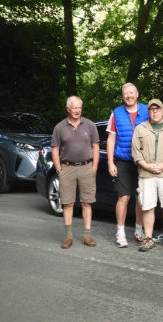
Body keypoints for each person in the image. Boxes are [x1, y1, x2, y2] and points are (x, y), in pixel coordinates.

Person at [131, 99, 163, 252]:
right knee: (147, 206)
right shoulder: (140, 128)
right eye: (152, 109)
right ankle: (147, 238)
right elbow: (136, 151)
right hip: (146, 174)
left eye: (157, 109)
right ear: (148, 112)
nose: (155, 112)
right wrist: (146, 166)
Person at [51, 96, 100, 248]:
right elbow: (55, 149)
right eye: (74, 108)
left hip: (87, 167)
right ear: (68, 109)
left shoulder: (90, 125)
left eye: (79, 107)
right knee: (68, 203)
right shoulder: (59, 127)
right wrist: (59, 169)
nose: (77, 110)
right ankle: (68, 237)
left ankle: (87, 236)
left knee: (86, 203)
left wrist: (94, 167)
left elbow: (96, 146)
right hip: (67, 168)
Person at [107, 82, 148, 248]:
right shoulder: (116, 113)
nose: (129, 95)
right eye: (126, 93)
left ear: (137, 94)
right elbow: (111, 138)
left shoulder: (147, 110)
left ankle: (139, 230)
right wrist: (110, 162)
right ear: (123, 96)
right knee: (124, 197)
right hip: (123, 160)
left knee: (141, 198)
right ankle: (121, 232)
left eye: (132, 92)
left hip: (142, 161)